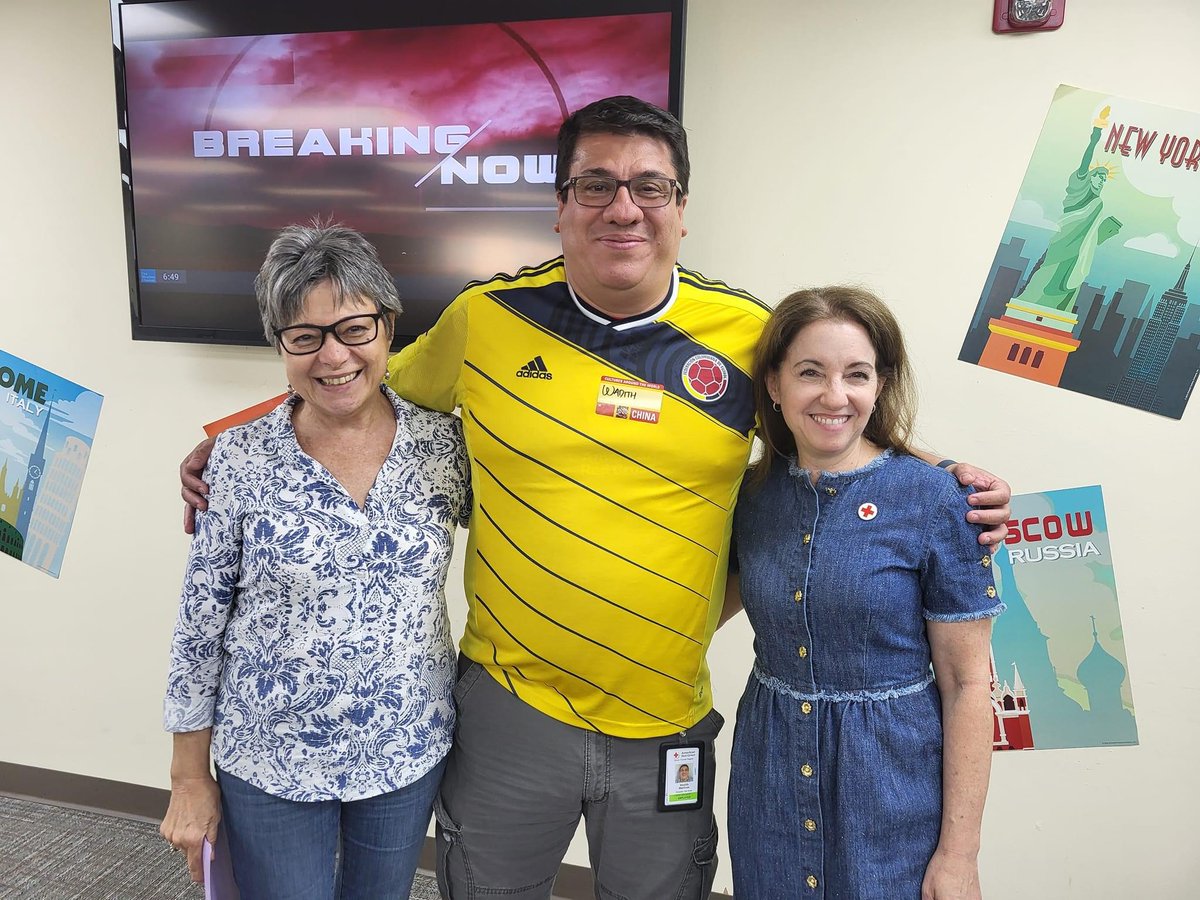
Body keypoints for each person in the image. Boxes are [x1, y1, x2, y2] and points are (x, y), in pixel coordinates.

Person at [180, 97, 1012, 899]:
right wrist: (237, 436)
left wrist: (939, 477)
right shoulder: (486, 319)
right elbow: (357, 382)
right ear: (560, 207)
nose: (624, 207)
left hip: (664, 721)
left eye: (650, 186)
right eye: (596, 185)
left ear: (682, 209)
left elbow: (830, 417)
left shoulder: (747, 336)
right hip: (511, 714)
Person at [161, 223, 471, 899]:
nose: (333, 356)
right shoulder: (237, 460)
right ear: (280, 345)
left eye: (354, 328)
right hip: (271, 760)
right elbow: (198, 628)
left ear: (388, 327)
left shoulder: (446, 448)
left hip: (404, 749)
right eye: (305, 337)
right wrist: (189, 776)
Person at [725, 286, 1000, 900]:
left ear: (879, 386)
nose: (834, 396)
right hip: (767, 778)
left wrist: (959, 857)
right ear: (774, 385)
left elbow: (968, 685)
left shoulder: (936, 500)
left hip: (891, 790)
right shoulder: (752, 498)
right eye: (810, 373)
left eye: (856, 374)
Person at [1013, 105, 1121, 313]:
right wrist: (1096, 134)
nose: (1101, 179)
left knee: (1069, 276)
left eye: (1104, 178)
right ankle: (1031, 299)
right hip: (1064, 241)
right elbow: (1085, 161)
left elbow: (1090, 231)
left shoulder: (1098, 202)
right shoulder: (1078, 190)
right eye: (1098, 175)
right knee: (1049, 270)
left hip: (1079, 247)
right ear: (1090, 176)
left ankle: (1056, 307)